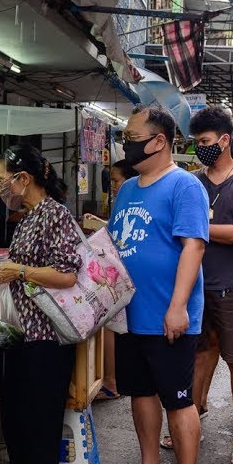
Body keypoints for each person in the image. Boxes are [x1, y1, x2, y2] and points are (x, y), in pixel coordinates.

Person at [102, 104, 210, 464]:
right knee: (140, 394)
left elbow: (194, 247)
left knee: (178, 400)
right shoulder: (127, 189)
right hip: (131, 315)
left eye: (131, 136)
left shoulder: (185, 186)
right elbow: (116, 245)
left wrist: (178, 306)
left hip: (170, 317)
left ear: (159, 141)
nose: (125, 143)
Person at [0, 144, 83, 464]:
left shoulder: (55, 214)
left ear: (23, 178)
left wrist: (20, 271)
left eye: (2, 179)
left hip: (47, 341)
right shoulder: (29, 218)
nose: (0, 187)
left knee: (41, 426)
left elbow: (66, 274)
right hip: (25, 337)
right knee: (19, 421)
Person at [176, 108, 233, 464]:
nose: (201, 148)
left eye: (206, 142)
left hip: (232, 286)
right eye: (197, 143)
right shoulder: (192, 181)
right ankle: (190, 422)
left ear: (225, 140)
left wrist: (196, 228)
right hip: (195, 284)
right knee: (199, 355)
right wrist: (219, 232)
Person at [97, 158, 139, 402]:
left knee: (112, 326)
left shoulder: (131, 200)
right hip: (121, 274)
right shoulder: (123, 201)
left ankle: (112, 382)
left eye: (116, 180)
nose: (113, 185)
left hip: (123, 276)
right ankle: (113, 380)